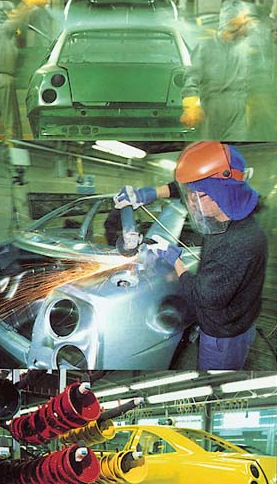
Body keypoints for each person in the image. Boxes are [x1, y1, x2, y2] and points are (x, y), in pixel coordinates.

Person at [114, 141, 268, 370]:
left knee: (214, 375)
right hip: (238, 318)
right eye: (191, 196)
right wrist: (147, 194)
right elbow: (189, 187)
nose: (193, 203)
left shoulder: (240, 243)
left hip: (223, 337)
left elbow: (203, 297)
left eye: (199, 196)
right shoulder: (228, 208)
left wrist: (175, 260)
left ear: (222, 191)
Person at [180, 0, 275, 140]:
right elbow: (191, 78)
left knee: (233, 150)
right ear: (233, 24)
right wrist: (191, 106)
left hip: (238, 112)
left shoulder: (245, 49)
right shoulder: (206, 47)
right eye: (244, 21)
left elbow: (257, 79)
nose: (248, 26)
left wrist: (265, 107)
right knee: (210, 150)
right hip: (211, 111)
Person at [0, 0, 49, 140]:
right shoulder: (5, 28)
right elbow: (18, 18)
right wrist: (30, 3)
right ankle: (16, 158)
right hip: (2, 81)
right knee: (12, 125)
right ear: (7, 14)